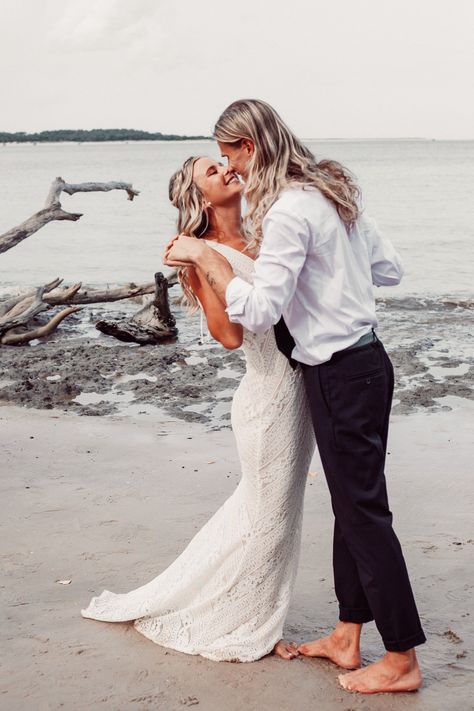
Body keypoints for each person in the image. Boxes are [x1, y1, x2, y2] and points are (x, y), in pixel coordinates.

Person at [164, 99, 426, 694]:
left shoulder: (284, 212)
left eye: (230, 155)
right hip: (368, 363)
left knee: (363, 514)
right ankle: (346, 634)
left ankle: (403, 659)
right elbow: (390, 270)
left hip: (338, 372)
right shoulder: (333, 190)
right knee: (353, 507)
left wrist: (207, 256)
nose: (232, 169)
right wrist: (333, 274)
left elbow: (258, 311)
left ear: (250, 148)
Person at [81, 154, 316, 663]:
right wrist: (211, 266)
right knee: (269, 516)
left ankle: (244, 604)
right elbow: (230, 336)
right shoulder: (201, 255)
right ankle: (245, 620)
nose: (229, 170)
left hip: (303, 390)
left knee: (271, 511)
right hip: (268, 398)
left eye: (225, 164)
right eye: (214, 172)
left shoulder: (265, 232)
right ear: (201, 200)